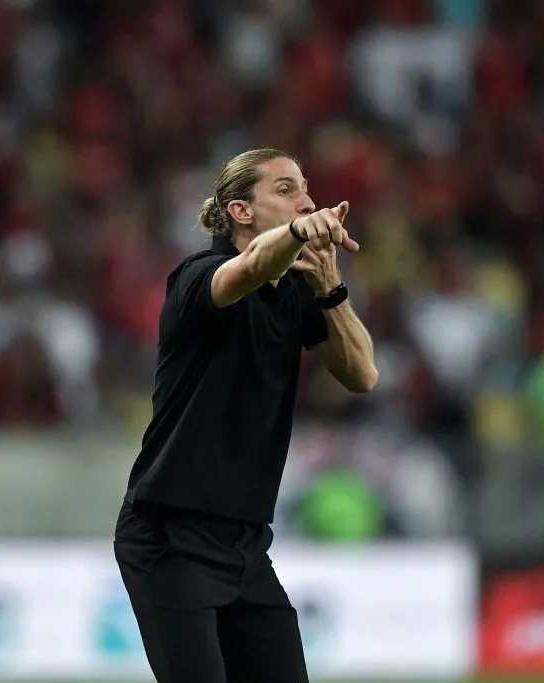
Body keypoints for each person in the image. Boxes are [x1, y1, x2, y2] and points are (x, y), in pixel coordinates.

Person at [113, 148, 377, 682]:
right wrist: (303, 234)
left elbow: (362, 375)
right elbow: (255, 264)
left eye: (305, 189)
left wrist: (330, 287)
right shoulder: (198, 278)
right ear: (240, 211)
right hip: (171, 536)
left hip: (246, 545)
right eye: (284, 190)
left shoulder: (300, 293)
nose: (305, 200)